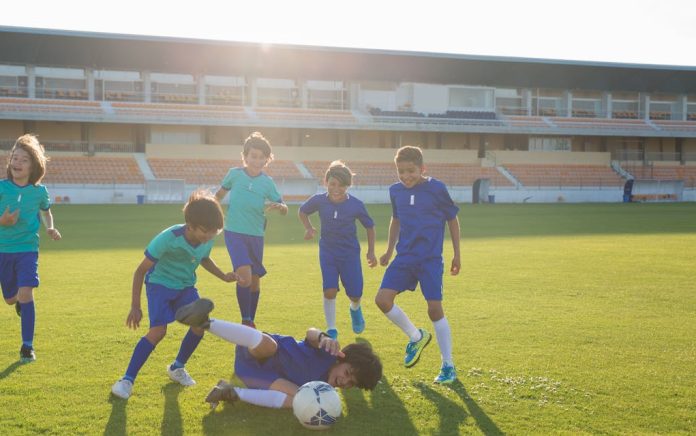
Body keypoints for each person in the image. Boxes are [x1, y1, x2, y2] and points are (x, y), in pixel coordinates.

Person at [111, 190, 236, 400]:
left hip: (185, 286)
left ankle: (177, 368)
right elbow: (140, 271)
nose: (209, 236)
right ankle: (126, 380)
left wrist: (223, 276)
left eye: (213, 232)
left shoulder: (208, 238)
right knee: (158, 332)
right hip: (159, 285)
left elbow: (204, 258)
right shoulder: (168, 238)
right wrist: (135, 306)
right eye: (205, 231)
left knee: (200, 325)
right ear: (190, 225)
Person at [174, 298, 382, 409]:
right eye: (348, 373)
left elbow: (296, 395)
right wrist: (322, 337)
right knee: (270, 346)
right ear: (342, 359)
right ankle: (205, 322)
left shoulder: (325, 392)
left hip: (260, 376)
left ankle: (231, 392)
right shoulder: (327, 351)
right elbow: (310, 333)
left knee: (300, 399)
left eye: (352, 383)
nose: (345, 382)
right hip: (259, 350)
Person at [374, 146, 461, 384]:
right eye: (401, 171)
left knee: (434, 309)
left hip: (430, 260)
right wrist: (389, 250)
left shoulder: (437, 189)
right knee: (382, 300)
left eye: (410, 171)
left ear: (423, 168)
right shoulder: (395, 191)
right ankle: (416, 336)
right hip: (404, 258)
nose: (406, 176)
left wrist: (457, 254)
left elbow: (452, 220)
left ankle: (448, 365)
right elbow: (396, 219)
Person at [215, 132, 288, 329]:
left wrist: (280, 207)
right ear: (245, 156)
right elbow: (218, 196)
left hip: (256, 235)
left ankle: (250, 320)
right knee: (245, 276)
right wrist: (211, 214)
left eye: (261, 157)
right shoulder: (234, 174)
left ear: (267, 159)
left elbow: (283, 207)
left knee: (254, 282)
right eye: (253, 156)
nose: (257, 160)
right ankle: (245, 319)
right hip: (234, 233)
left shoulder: (267, 183)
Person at [298, 160, 376, 339]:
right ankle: (331, 329)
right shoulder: (319, 200)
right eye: (333, 184)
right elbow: (302, 211)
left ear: (348, 186)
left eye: (342, 185)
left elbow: (369, 226)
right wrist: (309, 228)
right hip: (328, 252)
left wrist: (371, 251)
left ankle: (355, 309)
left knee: (355, 294)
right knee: (329, 290)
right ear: (326, 182)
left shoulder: (355, 204)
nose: (336, 189)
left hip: (349, 254)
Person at [0, 134, 61, 363]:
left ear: (34, 165)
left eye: (23, 159)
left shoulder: (39, 192)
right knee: (10, 299)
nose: (17, 162)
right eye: (14, 158)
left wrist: (50, 228)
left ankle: (27, 346)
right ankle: (18, 304)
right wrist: (2, 222)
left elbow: (46, 211)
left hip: (27, 249)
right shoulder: (2, 188)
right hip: (3, 250)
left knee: (26, 293)